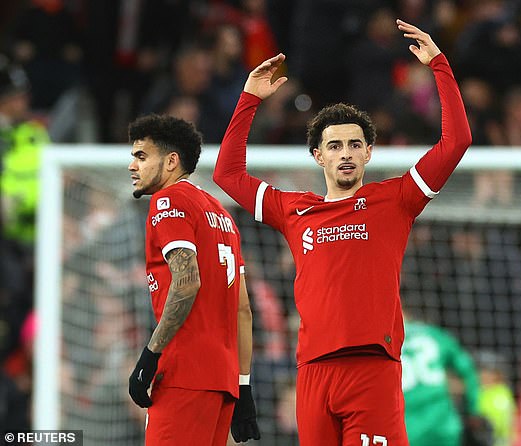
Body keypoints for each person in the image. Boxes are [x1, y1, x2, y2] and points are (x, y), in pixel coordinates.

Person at [214, 18, 471, 445]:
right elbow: (227, 173)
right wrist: (249, 98)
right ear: (318, 156)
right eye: (335, 146)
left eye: (355, 145)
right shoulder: (294, 209)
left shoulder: (397, 199)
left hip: (372, 367)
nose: (346, 154)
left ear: (369, 152)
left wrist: (439, 66)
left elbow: (456, 141)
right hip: (313, 372)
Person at [126, 114, 260, 445]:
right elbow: (243, 308)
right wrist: (243, 385)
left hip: (183, 374)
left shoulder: (169, 200)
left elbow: (187, 281)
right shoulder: (223, 215)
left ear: (172, 161)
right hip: (223, 382)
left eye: (141, 156)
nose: (132, 166)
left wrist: (150, 354)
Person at [401, 314, 486, 446]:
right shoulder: (434, 334)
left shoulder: (387, 339)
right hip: (443, 425)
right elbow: (467, 370)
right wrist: (473, 409)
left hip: (409, 428)